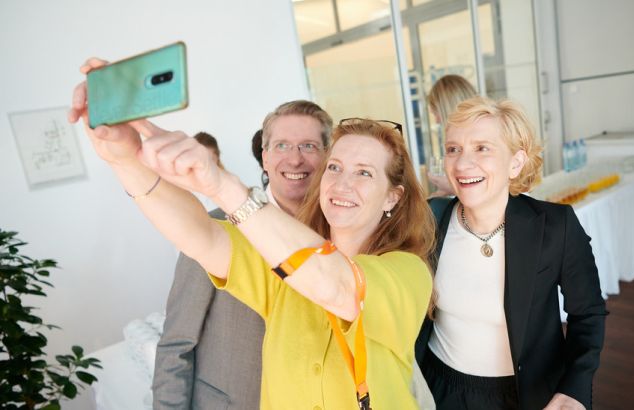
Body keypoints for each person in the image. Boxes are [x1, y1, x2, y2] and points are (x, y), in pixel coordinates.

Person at [69, 57, 435, 409]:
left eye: (364, 172)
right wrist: (124, 156)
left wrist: (220, 183)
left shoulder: (408, 272)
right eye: (335, 167)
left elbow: (336, 285)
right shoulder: (281, 265)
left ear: (393, 196)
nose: (342, 183)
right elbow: (202, 236)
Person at [416, 96, 607, 410]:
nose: (462, 164)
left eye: (482, 148)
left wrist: (575, 386)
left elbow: (588, 313)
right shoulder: (430, 219)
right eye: (453, 149)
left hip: (525, 394)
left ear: (515, 163)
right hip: (439, 389)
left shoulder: (555, 226)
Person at [152, 102, 332, 409]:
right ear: (265, 156)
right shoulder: (215, 226)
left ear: (327, 156)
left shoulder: (339, 232)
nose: (295, 158)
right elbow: (177, 343)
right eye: (282, 145)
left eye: (308, 146)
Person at [426, 74, 478, 197]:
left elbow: (492, 188)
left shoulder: (484, 138)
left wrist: (452, 187)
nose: (437, 121)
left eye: (436, 113)